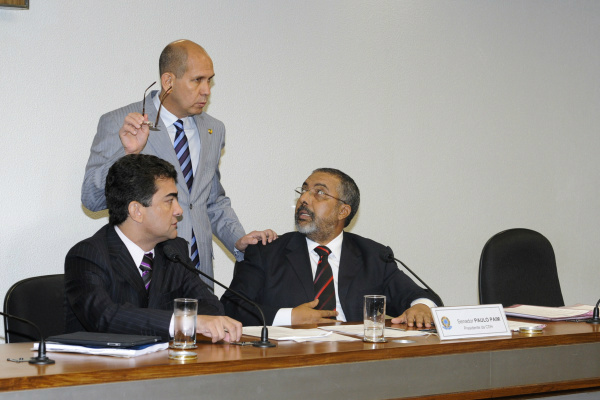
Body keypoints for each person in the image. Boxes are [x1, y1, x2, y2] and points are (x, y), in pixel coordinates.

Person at [81, 39, 276, 285]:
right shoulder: (121, 122)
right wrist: (127, 154)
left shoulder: (213, 129)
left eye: (210, 80)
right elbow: (91, 198)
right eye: (197, 80)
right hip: (146, 277)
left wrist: (238, 239)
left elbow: (210, 201)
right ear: (168, 81)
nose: (206, 90)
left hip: (199, 276)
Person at [221, 168, 439, 327]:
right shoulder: (267, 251)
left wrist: (422, 306)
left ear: (343, 211)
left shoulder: (373, 256)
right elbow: (231, 307)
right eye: (303, 191)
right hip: (288, 364)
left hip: (357, 364)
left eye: (319, 193)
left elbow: (420, 296)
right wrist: (289, 317)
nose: (304, 199)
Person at [66, 154, 242, 342]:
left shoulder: (174, 251)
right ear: (137, 211)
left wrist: (205, 322)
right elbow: (105, 317)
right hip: (101, 368)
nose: (179, 210)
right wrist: (184, 323)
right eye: (169, 201)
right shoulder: (88, 255)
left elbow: (209, 309)